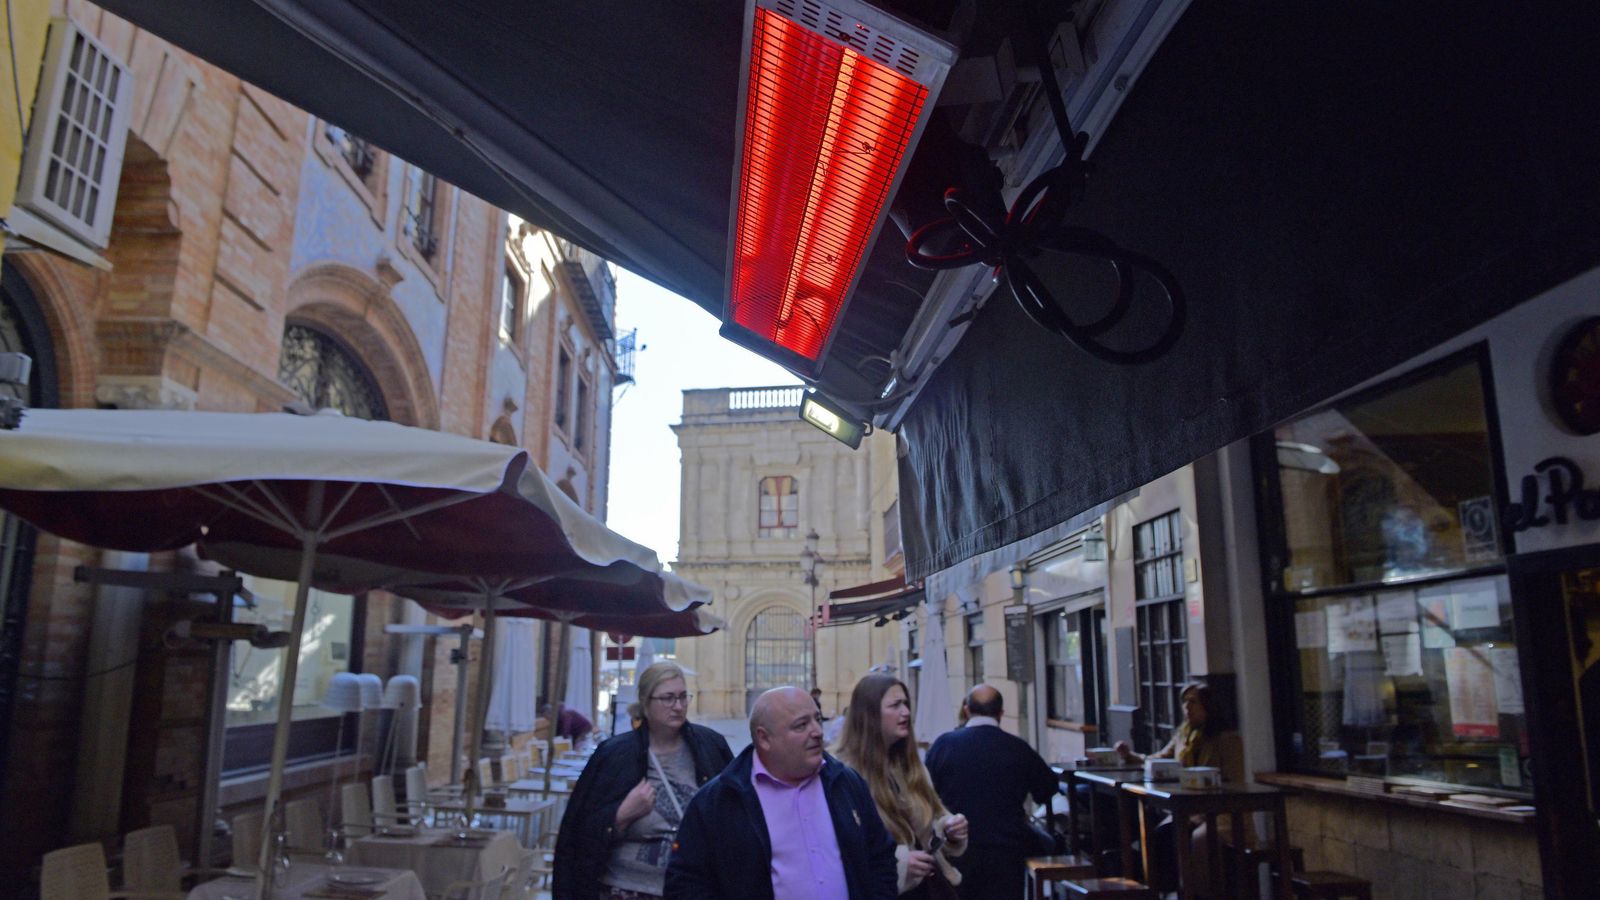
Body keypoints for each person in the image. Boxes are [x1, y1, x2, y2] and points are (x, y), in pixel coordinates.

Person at [665, 686, 898, 900]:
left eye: (817, 719)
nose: (817, 732)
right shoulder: (718, 801)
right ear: (764, 738)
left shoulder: (846, 783)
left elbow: (881, 857)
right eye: (801, 725)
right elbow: (686, 883)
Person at [553, 662, 732, 900]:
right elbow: (577, 833)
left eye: (682, 697)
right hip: (624, 889)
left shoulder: (710, 746)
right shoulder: (614, 755)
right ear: (646, 703)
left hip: (692, 889)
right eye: (667, 698)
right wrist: (619, 817)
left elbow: (733, 816)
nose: (678, 706)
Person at [833, 673, 969, 898]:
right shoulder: (843, 774)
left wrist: (949, 828)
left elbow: (933, 818)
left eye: (906, 704)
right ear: (869, 714)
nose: (905, 712)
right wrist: (902, 862)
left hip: (926, 889)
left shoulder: (910, 766)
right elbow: (846, 849)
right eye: (895, 705)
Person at [925, 684, 1058, 900]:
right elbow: (1047, 789)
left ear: (967, 709)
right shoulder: (1018, 748)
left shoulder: (944, 745)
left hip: (957, 850)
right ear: (1001, 713)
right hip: (1006, 853)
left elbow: (926, 793)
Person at [1114, 680, 1244, 891]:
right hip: (1188, 809)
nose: (1187, 707)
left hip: (1221, 812)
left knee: (1199, 840)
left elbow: (1234, 782)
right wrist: (1130, 756)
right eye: (1184, 702)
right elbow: (1158, 759)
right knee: (1161, 835)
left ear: (1208, 706)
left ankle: (1201, 893)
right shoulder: (1183, 736)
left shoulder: (1226, 740)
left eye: (1193, 702)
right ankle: (1169, 889)